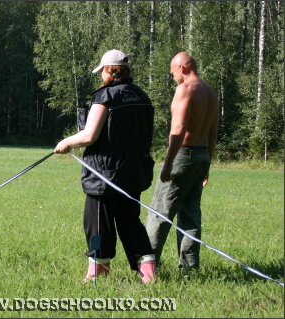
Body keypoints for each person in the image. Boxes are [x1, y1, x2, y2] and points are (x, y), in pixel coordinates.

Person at [54, 49, 157, 283]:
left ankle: (97, 271)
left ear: (109, 70)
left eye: (102, 71)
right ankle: (149, 273)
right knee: (130, 221)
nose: (101, 76)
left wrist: (65, 143)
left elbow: (89, 136)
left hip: (104, 173)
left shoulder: (106, 95)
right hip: (134, 170)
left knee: (97, 225)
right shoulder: (141, 95)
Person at [145, 52, 219, 270]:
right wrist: (207, 165)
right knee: (190, 213)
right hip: (202, 155)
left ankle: (148, 266)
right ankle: (189, 267)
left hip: (183, 155)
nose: (172, 76)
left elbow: (178, 129)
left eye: (173, 72)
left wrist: (168, 163)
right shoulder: (211, 93)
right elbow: (213, 134)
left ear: (183, 68)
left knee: (160, 211)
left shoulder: (185, 89)